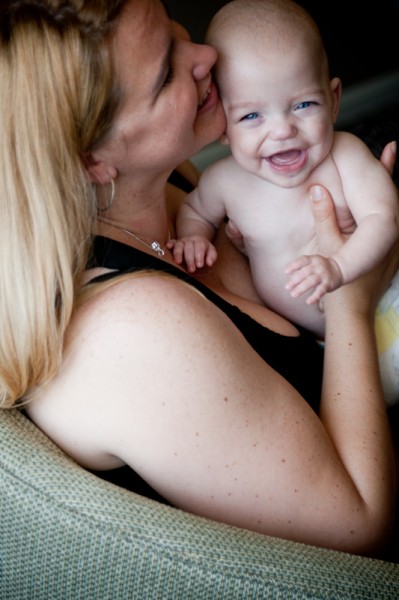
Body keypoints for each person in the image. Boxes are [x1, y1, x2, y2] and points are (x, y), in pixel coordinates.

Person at [0, 0, 397, 558]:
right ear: (94, 160)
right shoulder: (127, 334)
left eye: (176, 29)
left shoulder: (164, 189)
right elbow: (360, 528)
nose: (207, 55)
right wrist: (351, 298)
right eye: (166, 73)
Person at [170, 0, 399, 404]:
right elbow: (194, 211)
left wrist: (339, 268)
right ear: (223, 124)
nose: (282, 130)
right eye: (251, 117)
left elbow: (384, 217)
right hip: (327, 351)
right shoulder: (224, 181)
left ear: (334, 100)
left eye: (303, 105)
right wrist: (194, 238)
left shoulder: (343, 155)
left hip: (388, 305)